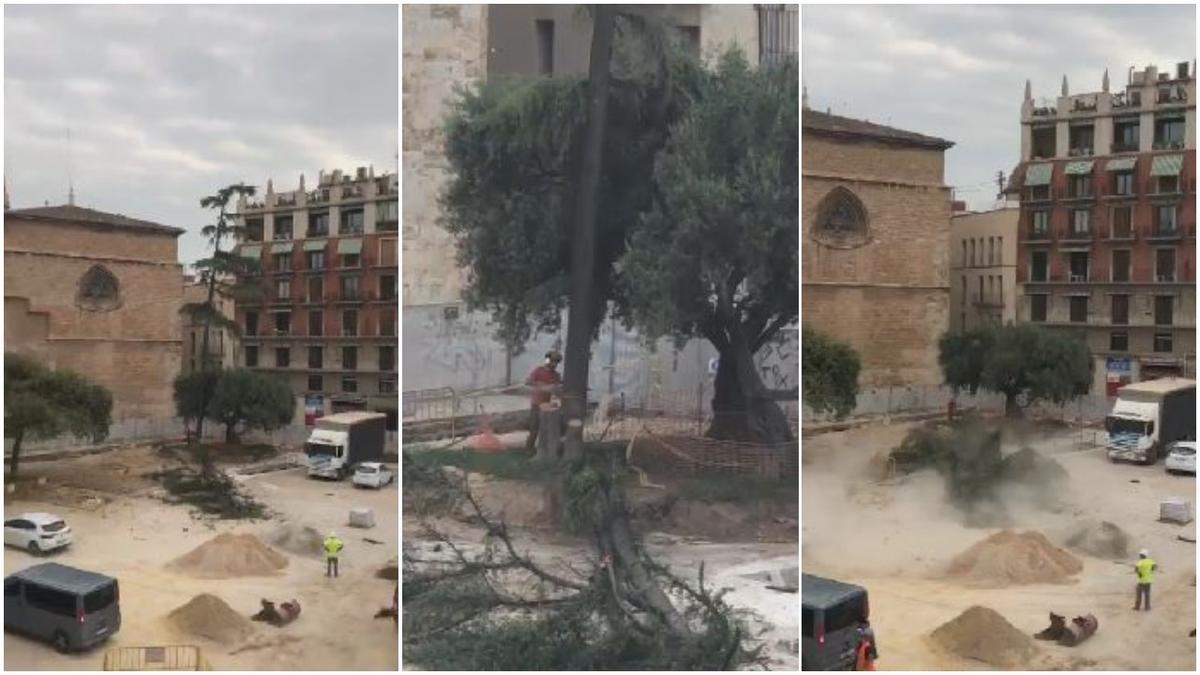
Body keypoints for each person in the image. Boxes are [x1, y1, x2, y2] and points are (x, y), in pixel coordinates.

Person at [524, 350, 563, 453]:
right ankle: (529, 449)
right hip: (536, 404)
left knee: (545, 430)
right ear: (548, 360)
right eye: (553, 361)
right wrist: (541, 385)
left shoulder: (556, 375)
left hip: (547, 406)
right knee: (534, 429)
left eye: (556, 362)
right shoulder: (539, 371)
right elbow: (528, 381)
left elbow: (558, 390)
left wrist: (557, 391)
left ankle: (544, 451)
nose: (554, 364)